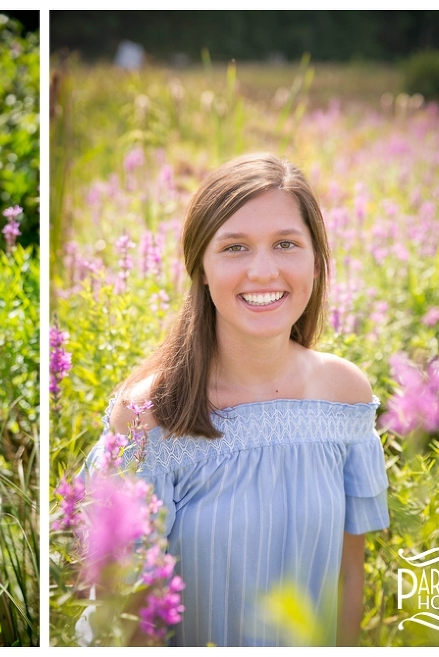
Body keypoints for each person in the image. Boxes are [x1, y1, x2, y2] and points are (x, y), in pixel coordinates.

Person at [93, 153, 389, 646]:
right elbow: (123, 615)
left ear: (315, 261)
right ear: (202, 269)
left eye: (286, 244)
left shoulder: (346, 397)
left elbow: (346, 579)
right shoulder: (147, 417)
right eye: (235, 248)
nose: (263, 270)